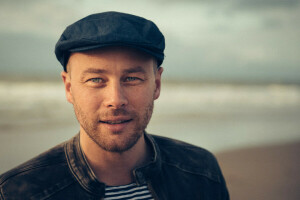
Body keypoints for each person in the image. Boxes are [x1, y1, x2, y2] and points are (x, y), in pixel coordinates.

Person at [0, 11, 229, 200]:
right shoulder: (18, 192)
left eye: (132, 78)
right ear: (69, 88)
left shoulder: (201, 172)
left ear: (156, 84)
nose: (116, 99)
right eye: (95, 80)